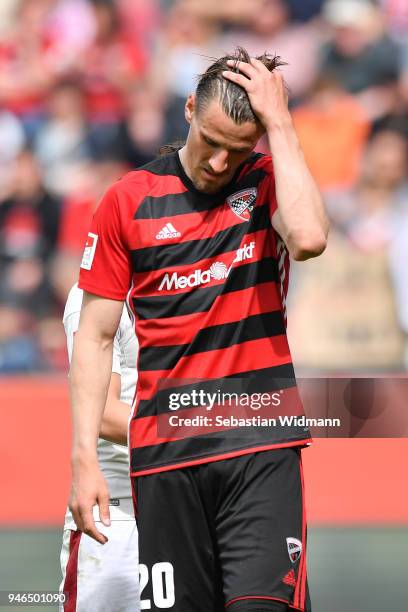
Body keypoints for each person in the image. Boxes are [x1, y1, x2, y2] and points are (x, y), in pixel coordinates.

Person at [70, 47, 328, 612]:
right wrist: (84, 457)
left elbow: (308, 238)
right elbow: (92, 337)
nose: (219, 163)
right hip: (164, 459)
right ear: (188, 109)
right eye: (211, 142)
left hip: (260, 445)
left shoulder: (267, 182)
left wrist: (279, 123)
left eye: (237, 149)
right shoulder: (126, 200)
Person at [59, 283, 139, 612]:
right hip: (117, 516)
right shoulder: (92, 293)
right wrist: (211, 425)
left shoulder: (193, 283)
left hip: (190, 504)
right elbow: (102, 414)